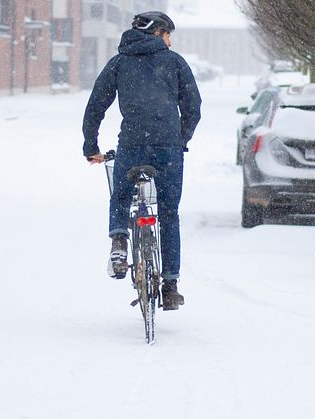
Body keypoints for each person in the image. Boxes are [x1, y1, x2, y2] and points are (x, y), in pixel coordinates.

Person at [82, 11, 201, 310]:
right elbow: (193, 106)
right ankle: (171, 285)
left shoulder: (120, 62)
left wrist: (91, 145)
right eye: (168, 34)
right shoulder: (175, 62)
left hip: (133, 143)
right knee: (169, 213)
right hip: (167, 148)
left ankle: (120, 242)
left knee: (121, 196)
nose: (170, 41)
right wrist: (181, 138)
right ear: (157, 33)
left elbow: (96, 104)